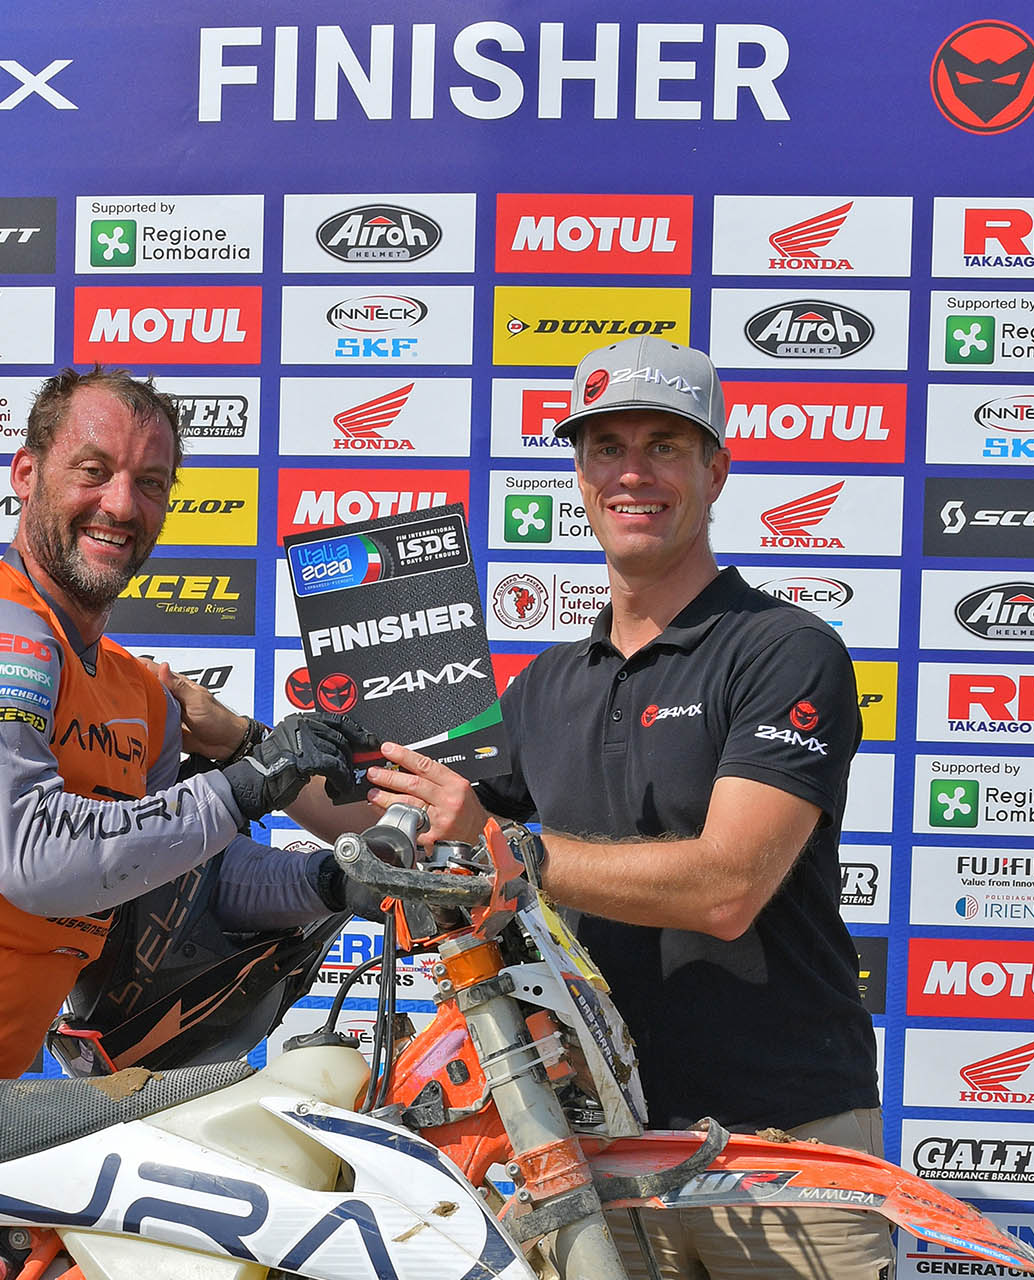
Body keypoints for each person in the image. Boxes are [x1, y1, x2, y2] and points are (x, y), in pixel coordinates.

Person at [350, 337, 891, 1278]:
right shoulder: (549, 682)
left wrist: (511, 849)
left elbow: (727, 887)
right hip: (598, 1150)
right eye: (607, 448)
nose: (632, 473)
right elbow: (408, 827)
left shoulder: (783, 649)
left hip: (780, 1149)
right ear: (581, 475)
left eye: (663, 446)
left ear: (716, 471)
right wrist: (246, 753)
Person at [0, 366, 372, 1079]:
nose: (121, 504)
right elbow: (35, 856)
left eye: (150, 483)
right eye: (93, 471)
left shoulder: (139, 693)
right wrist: (249, 782)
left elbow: (176, 876)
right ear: (26, 474)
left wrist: (335, 880)